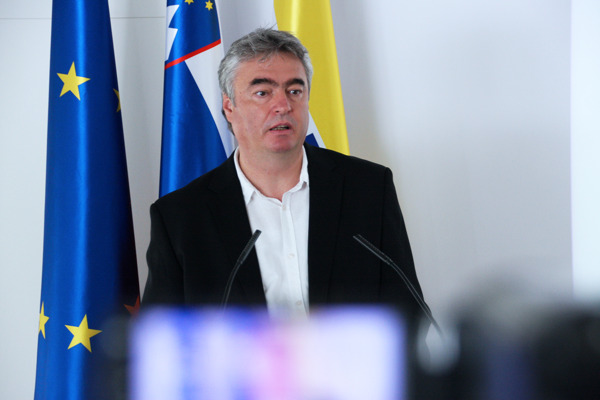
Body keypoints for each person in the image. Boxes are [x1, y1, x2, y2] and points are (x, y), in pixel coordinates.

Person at [143, 28, 427, 324]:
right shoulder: (180, 217)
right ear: (229, 107)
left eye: (294, 91)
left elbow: (407, 311)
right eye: (263, 93)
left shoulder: (368, 189)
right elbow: (162, 337)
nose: (283, 106)